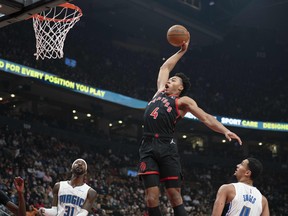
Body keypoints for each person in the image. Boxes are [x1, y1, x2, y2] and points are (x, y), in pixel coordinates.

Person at [138, 39, 242, 216]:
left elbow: (206, 118)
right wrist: (181, 51)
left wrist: (224, 130)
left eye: (174, 80)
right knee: (150, 198)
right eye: (170, 79)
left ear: (180, 88)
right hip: (147, 146)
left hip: (166, 147)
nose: (169, 80)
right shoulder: (159, 92)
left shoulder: (182, 101)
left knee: (174, 196)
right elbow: (164, 68)